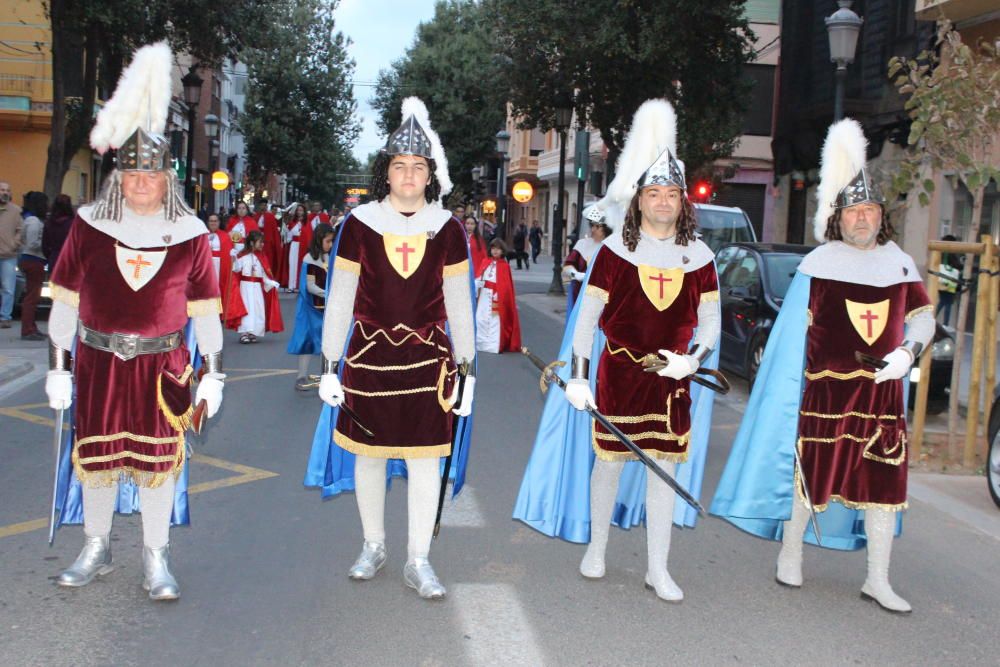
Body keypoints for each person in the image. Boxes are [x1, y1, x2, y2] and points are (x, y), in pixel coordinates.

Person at [711, 119, 936, 615]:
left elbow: (923, 320)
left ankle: (878, 579)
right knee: (810, 481)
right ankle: (790, 554)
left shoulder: (900, 266)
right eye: (853, 211)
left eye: (870, 210)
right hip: (825, 398)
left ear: (882, 216)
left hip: (880, 399)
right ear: (839, 218)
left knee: (882, 488)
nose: (862, 218)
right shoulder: (818, 267)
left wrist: (907, 353)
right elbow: (791, 341)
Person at [514, 99, 721, 603]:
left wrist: (692, 359)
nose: (664, 201)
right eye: (655, 193)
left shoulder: (701, 257)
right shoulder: (613, 253)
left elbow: (711, 320)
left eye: (672, 194)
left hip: (671, 381)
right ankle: (598, 548)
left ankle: (658, 568)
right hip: (620, 376)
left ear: (682, 202)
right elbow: (587, 319)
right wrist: (580, 377)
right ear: (640, 200)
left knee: (664, 469)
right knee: (608, 463)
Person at [44, 42, 225, 601]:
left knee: (156, 466)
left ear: (167, 180)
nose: (142, 183)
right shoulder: (88, 227)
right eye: (132, 175)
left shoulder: (192, 235)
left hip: (163, 366)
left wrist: (213, 371)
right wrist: (57, 365)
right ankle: (96, 546)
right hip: (98, 362)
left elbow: (206, 312)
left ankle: (155, 556)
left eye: (152, 176)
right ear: (118, 177)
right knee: (96, 460)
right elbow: (66, 302)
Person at [306, 97, 475, 600]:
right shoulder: (359, 225)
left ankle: (418, 559)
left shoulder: (448, 229)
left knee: (426, 460)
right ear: (387, 173)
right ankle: (373, 544)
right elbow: (339, 299)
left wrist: (466, 370)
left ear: (429, 176)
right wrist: (330, 365)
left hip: (429, 362)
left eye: (417, 167)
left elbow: (459, 305)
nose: (408, 175)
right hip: (368, 360)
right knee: (371, 456)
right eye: (399, 166)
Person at [288, 223, 334, 390]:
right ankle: (301, 376)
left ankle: (327, 375)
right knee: (306, 340)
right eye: (328, 241)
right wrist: (329, 293)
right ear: (319, 239)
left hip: (326, 308)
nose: (330, 245)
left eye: (332, 241)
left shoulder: (331, 258)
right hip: (310, 307)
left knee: (329, 342)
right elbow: (310, 286)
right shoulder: (309, 259)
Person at [225, 230, 283, 343]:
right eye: (260, 242)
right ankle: (244, 333)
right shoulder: (243, 256)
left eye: (262, 242)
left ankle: (253, 332)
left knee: (257, 309)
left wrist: (272, 283)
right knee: (247, 309)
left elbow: (263, 276)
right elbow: (236, 269)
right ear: (252, 243)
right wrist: (234, 258)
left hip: (257, 287)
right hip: (245, 287)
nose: (262, 244)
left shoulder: (261, 257)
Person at [562, 205, 612, 312]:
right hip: (582, 296)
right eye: (592, 226)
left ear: (606, 228)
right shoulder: (583, 244)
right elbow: (567, 266)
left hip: (605, 300)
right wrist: (576, 274)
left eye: (597, 226)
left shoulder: (613, 247)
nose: (593, 229)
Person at [475, 238, 521, 354]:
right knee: (481, 318)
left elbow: (506, 287)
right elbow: (479, 277)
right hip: (484, 296)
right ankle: (481, 343)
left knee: (495, 320)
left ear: (502, 251)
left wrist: (499, 294)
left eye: (498, 249)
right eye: (493, 248)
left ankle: (493, 344)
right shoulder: (485, 262)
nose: (495, 251)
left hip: (496, 297)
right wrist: (478, 283)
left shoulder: (504, 266)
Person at [17, 191, 48, 340]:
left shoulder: (28, 220)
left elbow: (23, 239)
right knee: (32, 297)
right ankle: (27, 329)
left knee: (32, 296)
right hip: (34, 259)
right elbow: (32, 243)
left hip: (28, 258)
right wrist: (46, 247)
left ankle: (31, 326)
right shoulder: (35, 222)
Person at [0, 180, 23, 329]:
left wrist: (14, 245)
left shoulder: (16, 211)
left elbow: (21, 230)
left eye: (7, 190)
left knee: (8, 288)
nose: (5, 193)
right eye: (2, 190)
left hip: (9, 256)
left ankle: (5, 317)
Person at [205, 213, 234, 314]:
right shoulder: (203, 235)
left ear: (219, 222)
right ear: (208, 223)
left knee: (218, 286)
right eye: (211, 221)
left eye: (215, 221)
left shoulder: (225, 236)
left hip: (219, 265)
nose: (213, 223)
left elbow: (228, 252)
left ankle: (218, 310)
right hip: (206, 265)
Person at [42, 194, 75, 272]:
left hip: (54, 258)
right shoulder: (73, 224)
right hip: (70, 259)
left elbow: (45, 246)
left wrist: (50, 256)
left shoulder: (49, 223)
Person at [281, 203, 309, 291]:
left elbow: (309, 236)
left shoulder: (306, 223)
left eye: (301, 210)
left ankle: (298, 285)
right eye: (298, 210)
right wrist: (285, 230)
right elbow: (288, 236)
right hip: (294, 245)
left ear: (304, 212)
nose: (299, 212)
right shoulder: (292, 222)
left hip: (303, 247)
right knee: (292, 265)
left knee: (301, 265)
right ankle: (291, 286)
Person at [936, 234, 962, 326]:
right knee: (947, 303)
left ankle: (935, 319)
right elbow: (957, 265)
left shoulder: (941, 253)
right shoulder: (950, 253)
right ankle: (945, 324)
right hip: (950, 282)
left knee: (943, 302)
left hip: (942, 281)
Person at [255, 198, 283, 276]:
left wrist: (274, 242)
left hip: (267, 243)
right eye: (262, 205)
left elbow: (274, 231)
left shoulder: (270, 217)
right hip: (257, 241)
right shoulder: (256, 216)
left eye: (265, 205)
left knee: (268, 259)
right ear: (259, 206)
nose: (263, 207)